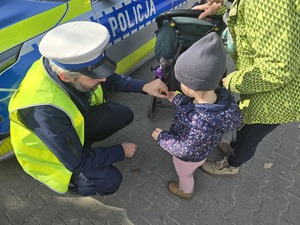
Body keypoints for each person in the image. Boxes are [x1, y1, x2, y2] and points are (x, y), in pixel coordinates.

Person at [8, 21, 170, 196]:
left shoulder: (61, 63)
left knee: (123, 114)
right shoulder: (45, 111)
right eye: (94, 77)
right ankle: (74, 183)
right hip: (54, 156)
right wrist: (120, 151)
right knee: (109, 180)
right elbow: (77, 161)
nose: (103, 80)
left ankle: (83, 144)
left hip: (66, 130)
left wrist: (144, 86)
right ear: (67, 77)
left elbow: (109, 78)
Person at [192, 0, 300, 175]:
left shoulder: (267, 4)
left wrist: (234, 81)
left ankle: (232, 164)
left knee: (250, 136)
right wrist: (220, 9)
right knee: (245, 125)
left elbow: (279, 68)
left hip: (279, 97)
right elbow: (248, 18)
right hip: (263, 86)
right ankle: (235, 147)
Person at [152, 32, 243, 199]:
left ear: (192, 87)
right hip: (204, 148)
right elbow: (192, 104)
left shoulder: (198, 123)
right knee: (192, 163)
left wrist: (162, 137)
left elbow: (185, 150)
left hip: (190, 157)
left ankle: (185, 190)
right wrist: (178, 98)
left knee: (185, 174)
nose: (180, 84)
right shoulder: (219, 99)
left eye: (182, 82)